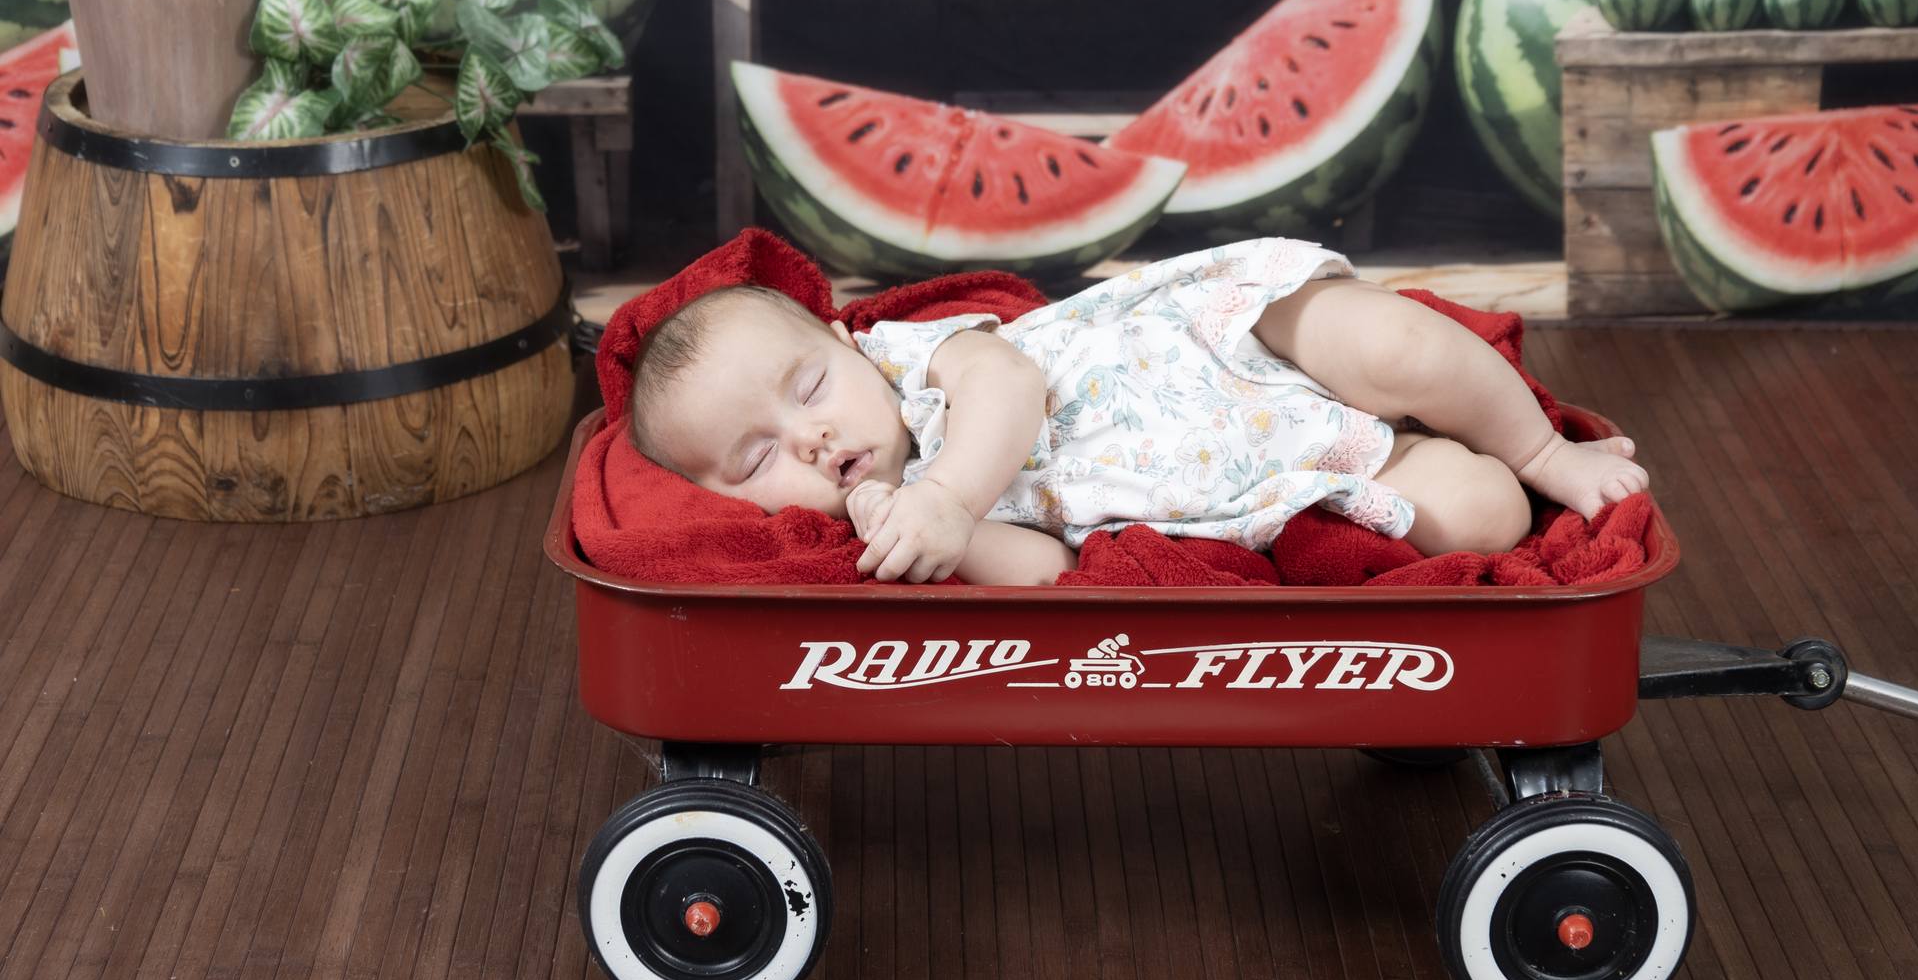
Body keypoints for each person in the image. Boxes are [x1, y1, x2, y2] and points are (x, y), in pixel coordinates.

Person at [628, 239, 1648, 587]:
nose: (808, 437)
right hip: (1275, 472)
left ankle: (1537, 447)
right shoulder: (901, 525)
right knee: (1480, 517)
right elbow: (1049, 575)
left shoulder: (913, 363)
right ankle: (1440, 456)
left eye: (807, 389)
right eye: (757, 458)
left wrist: (942, 494)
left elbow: (1010, 388)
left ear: (844, 344)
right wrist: (942, 543)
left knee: (1395, 345)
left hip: (1226, 336)